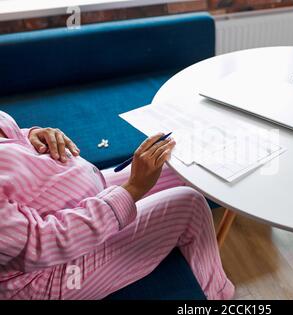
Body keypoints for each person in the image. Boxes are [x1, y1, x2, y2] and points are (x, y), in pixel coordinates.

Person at [0, 111, 234, 300]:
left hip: (71, 206)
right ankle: (219, 296)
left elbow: (10, 139)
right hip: (47, 276)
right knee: (189, 204)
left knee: (178, 170)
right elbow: (41, 245)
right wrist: (132, 190)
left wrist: (32, 135)